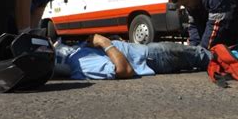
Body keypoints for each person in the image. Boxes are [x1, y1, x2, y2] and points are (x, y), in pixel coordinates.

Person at [55, 34, 211, 80]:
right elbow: (123, 70)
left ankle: (227, 57)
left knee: (198, 54)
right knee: (201, 56)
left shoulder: (74, 54)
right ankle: (231, 58)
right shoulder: (77, 64)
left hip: (148, 53)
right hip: (152, 57)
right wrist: (104, 42)